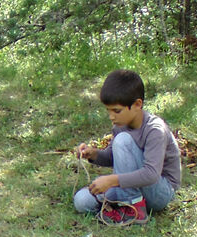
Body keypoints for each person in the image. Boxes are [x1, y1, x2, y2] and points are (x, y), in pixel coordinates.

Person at [74, 69, 181, 226]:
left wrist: (113, 180)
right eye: (108, 110)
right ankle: (123, 205)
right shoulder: (121, 125)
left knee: (123, 140)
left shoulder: (154, 130)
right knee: (82, 201)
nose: (111, 116)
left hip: (159, 191)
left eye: (116, 110)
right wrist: (93, 154)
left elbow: (151, 174)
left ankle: (134, 210)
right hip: (132, 187)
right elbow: (113, 157)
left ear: (137, 104)